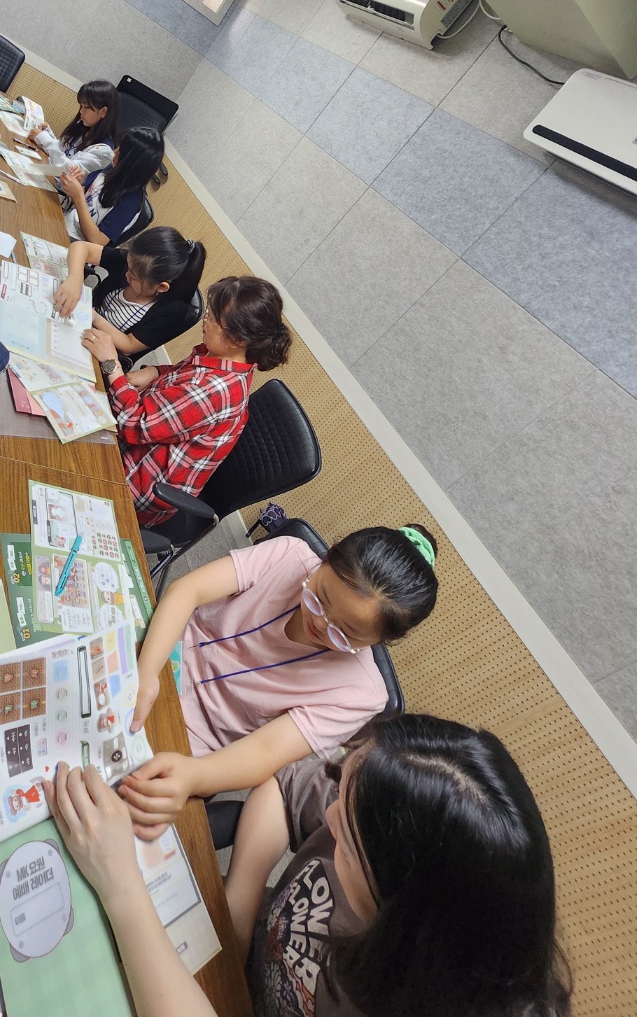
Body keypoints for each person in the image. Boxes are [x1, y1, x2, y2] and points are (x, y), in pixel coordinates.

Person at [44, 715, 571, 1017]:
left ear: (399, 920)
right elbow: (282, 790)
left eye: (349, 836)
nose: (331, 812)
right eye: (342, 785)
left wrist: (121, 885)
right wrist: (239, 905)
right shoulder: (374, 803)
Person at [118, 524, 438, 840]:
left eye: (344, 633)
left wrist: (193, 776)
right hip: (162, 653)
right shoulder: (289, 555)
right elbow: (189, 590)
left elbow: (266, 751)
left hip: (194, 741)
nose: (319, 622)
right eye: (319, 598)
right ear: (326, 559)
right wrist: (147, 671)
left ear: (378, 640)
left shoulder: (361, 694)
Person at [80, 275, 290, 525]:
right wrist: (156, 371)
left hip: (137, 481)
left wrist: (111, 363)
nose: (205, 320)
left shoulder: (213, 390)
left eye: (212, 317)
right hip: (138, 443)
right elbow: (184, 378)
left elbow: (132, 423)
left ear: (238, 339)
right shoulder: (225, 360)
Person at [52, 227, 206, 366]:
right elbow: (81, 247)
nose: (127, 274)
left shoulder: (173, 311)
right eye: (128, 267)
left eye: (133, 277)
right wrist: (75, 278)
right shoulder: (135, 263)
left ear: (161, 287)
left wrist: (94, 317)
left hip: (101, 354)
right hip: (79, 323)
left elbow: (128, 346)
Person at [62, 126, 164, 244]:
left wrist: (78, 197)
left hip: (76, 243)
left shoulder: (131, 201)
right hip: (65, 222)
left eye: (122, 151)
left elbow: (97, 241)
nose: (116, 151)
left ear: (133, 163)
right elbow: (84, 193)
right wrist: (78, 182)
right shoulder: (112, 169)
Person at [29, 78, 118, 177]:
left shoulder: (103, 152)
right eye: (81, 106)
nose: (81, 111)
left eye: (86, 107)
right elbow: (63, 152)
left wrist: (45, 139)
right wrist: (48, 134)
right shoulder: (84, 128)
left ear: (103, 112)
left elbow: (69, 170)